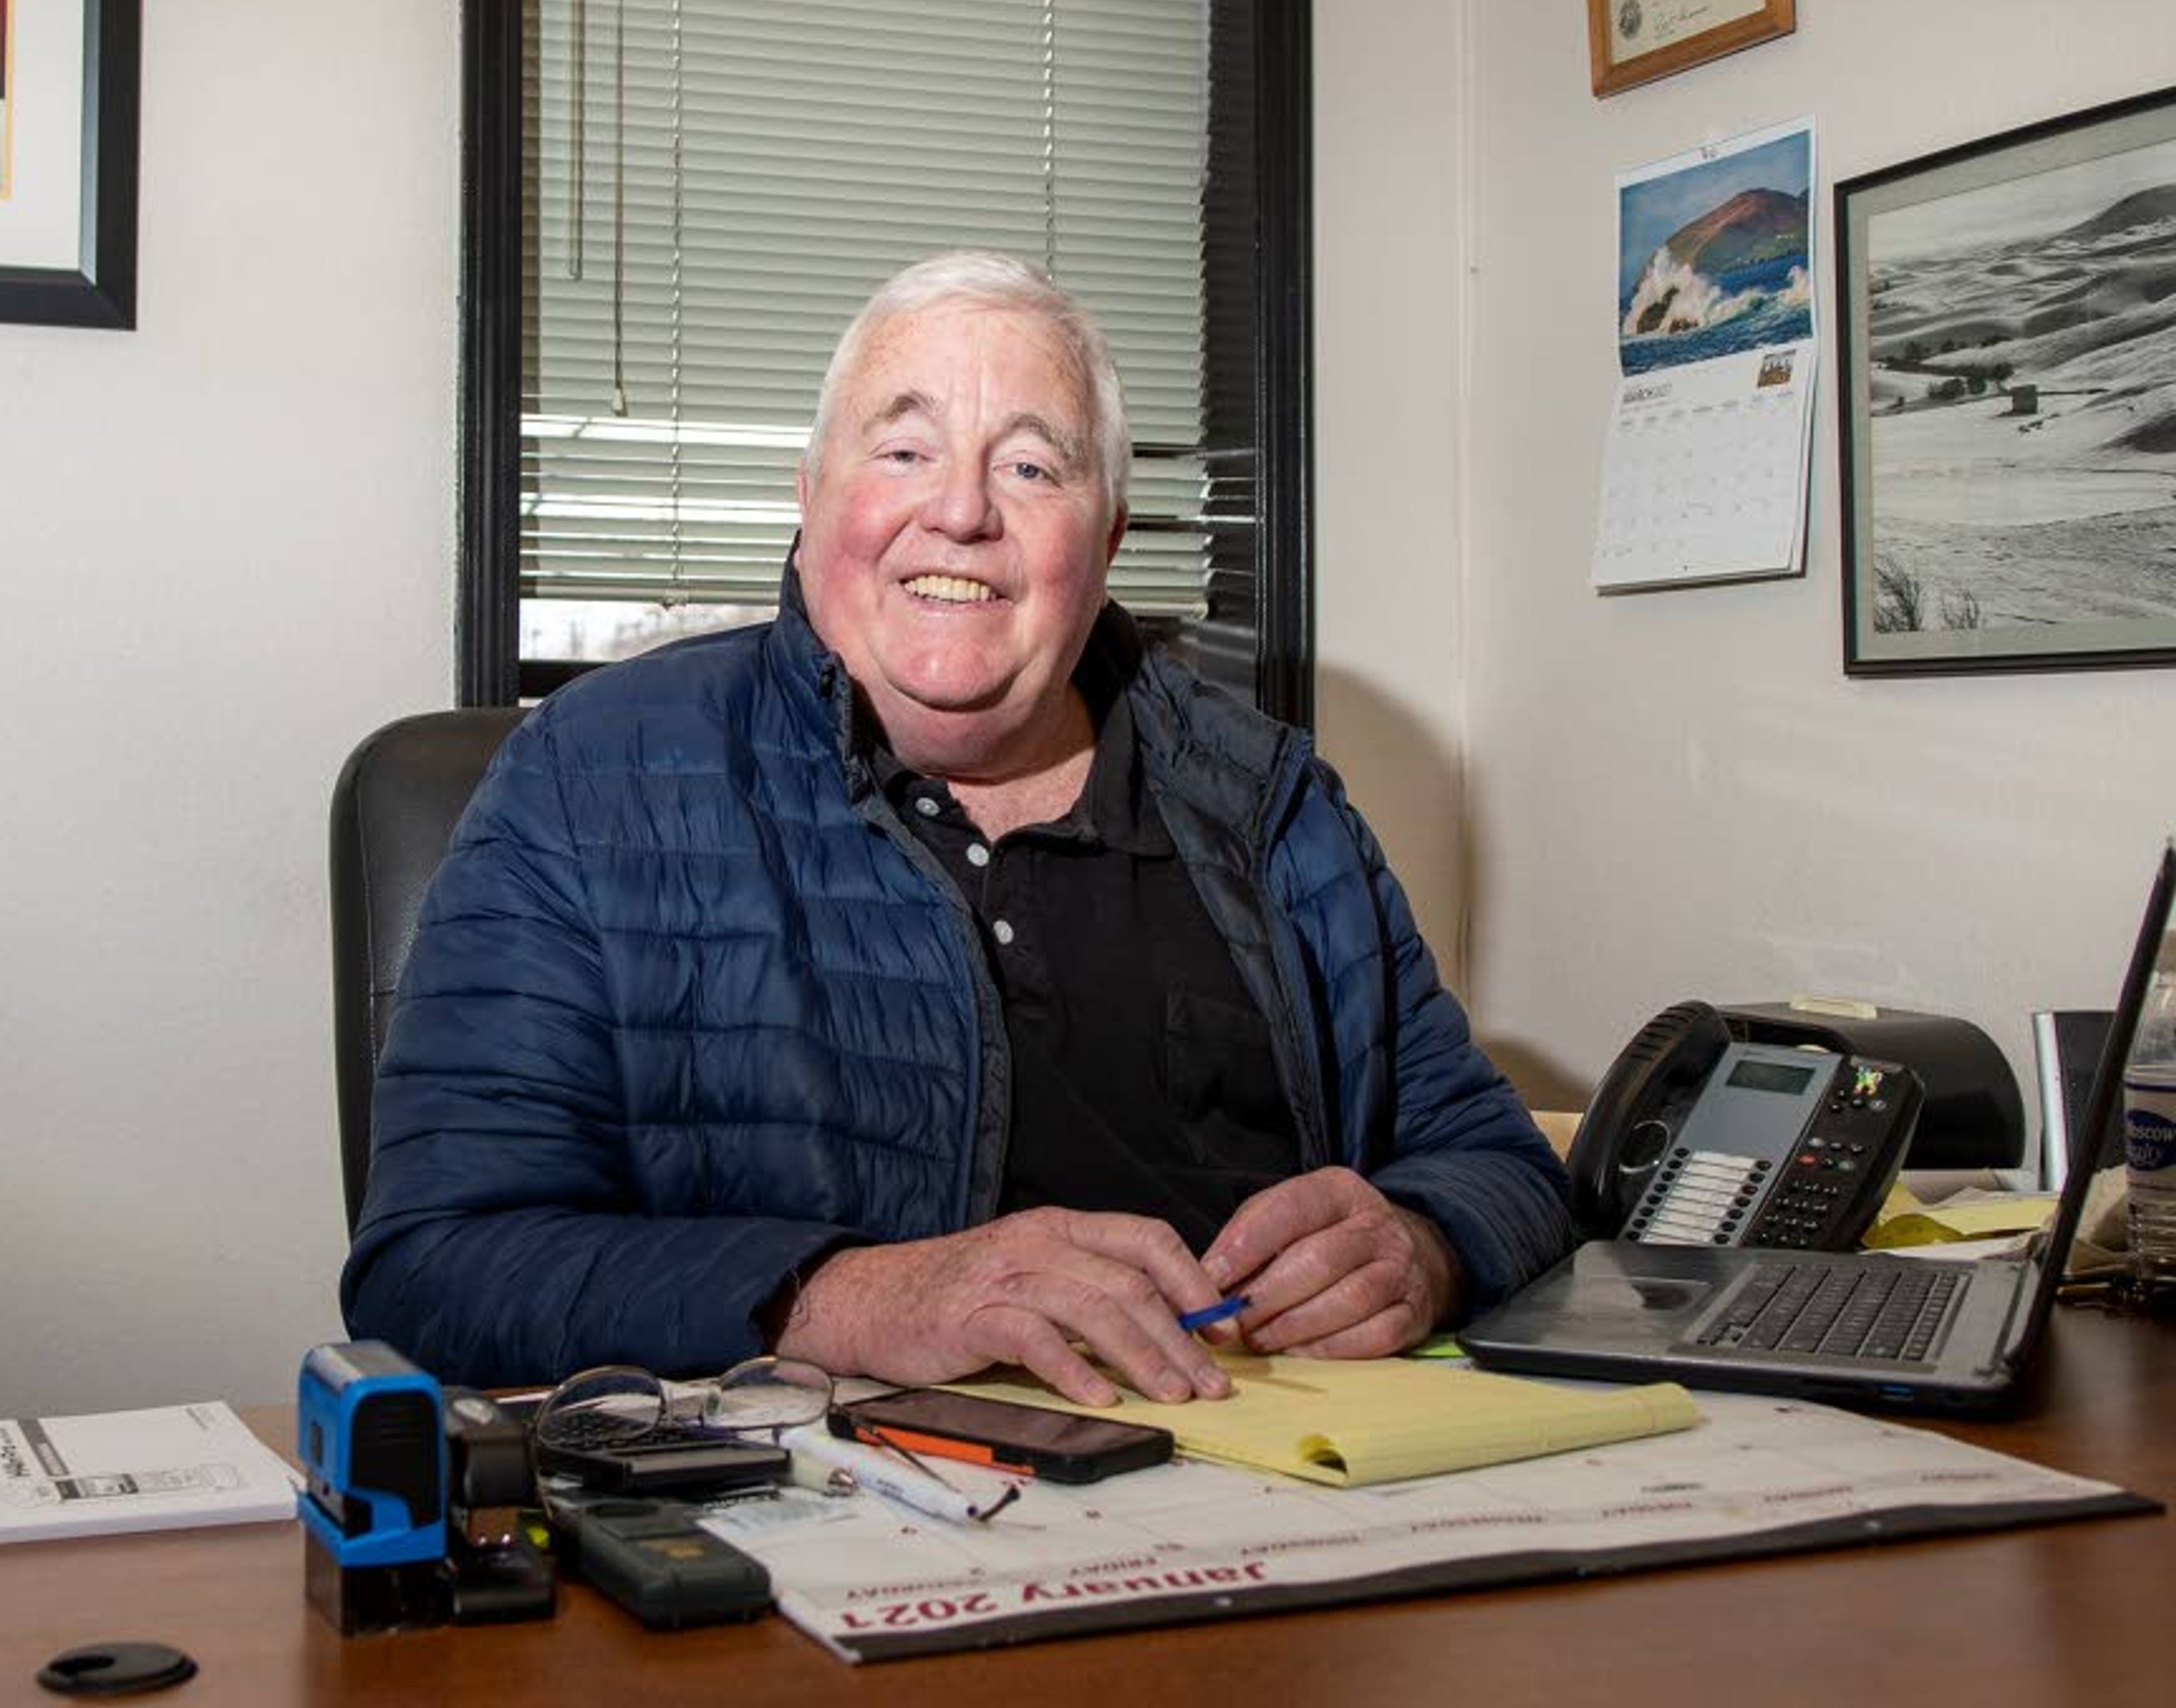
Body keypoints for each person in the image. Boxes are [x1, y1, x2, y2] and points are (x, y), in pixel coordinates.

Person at [342, 250, 1575, 1405]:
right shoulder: (595, 776)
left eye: (1033, 467)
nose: (964, 514)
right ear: (811, 498)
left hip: (1264, 1510)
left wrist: (1424, 1243)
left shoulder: (1270, 802)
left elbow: (1503, 1167)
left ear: (1105, 543)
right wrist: (850, 1296)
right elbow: (437, 1267)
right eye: (904, 453)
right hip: (812, 1536)